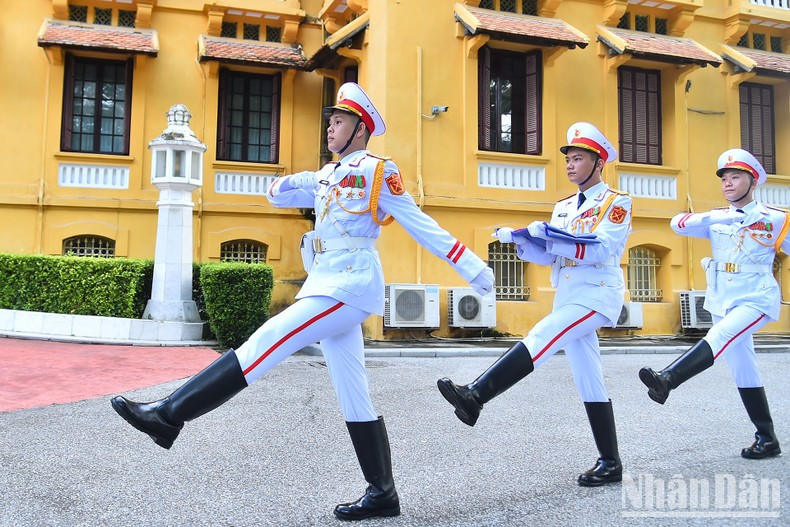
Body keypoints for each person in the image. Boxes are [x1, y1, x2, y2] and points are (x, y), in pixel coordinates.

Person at [110, 82, 494, 521]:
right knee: (354, 393)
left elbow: (420, 223)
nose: (330, 128)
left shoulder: (377, 172)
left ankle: (170, 414)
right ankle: (382, 492)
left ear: (361, 129)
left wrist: (474, 269)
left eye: (340, 122)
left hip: (349, 283)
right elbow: (277, 194)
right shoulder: (326, 176)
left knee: (270, 338)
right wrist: (294, 183)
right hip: (326, 279)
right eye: (330, 121)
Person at [437, 122, 633, 487]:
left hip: (599, 292)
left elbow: (603, 248)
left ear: (599, 162)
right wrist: (522, 241)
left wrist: (554, 240)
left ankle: (477, 394)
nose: (571, 165)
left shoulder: (616, 202)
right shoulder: (562, 207)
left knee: (543, 334)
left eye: (579, 158)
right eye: (569, 159)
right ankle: (611, 462)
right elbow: (551, 257)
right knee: (589, 379)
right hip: (570, 293)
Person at [639, 148, 788, 459]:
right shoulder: (716, 218)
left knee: (718, 338)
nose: (729, 183)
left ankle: (667, 379)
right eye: (725, 179)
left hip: (756, 297)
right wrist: (715, 215)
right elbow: (677, 224)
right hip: (723, 300)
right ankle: (767, 438)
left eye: (736, 177)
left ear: (752, 181)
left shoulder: (774, 219)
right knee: (744, 369)